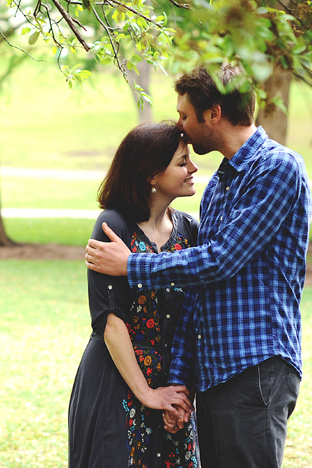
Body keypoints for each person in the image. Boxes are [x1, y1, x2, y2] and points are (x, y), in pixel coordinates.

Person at [84, 65, 312, 468]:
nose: (181, 127)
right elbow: (197, 295)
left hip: (254, 365)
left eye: (185, 116)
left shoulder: (277, 168)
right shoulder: (219, 187)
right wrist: (177, 380)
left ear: (214, 114)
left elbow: (222, 259)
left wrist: (133, 265)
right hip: (214, 373)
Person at [69, 122, 201, 468]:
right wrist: (147, 395)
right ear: (151, 175)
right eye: (181, 162)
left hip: (171, 387)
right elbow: (111, 322)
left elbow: (191, 320)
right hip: (115, 383)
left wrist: (176, 395)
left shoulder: (191, 231)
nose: (193, 168)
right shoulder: (114, 225)